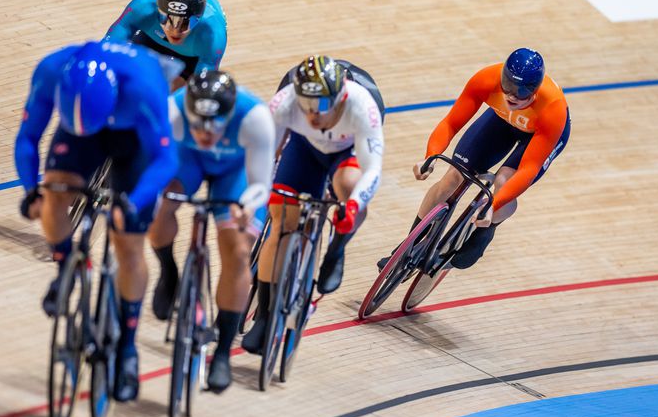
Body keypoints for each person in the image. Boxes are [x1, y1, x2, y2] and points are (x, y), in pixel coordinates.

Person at [14, 40, 177, 402]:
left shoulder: (144, 83)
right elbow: (28, 138)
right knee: (55, 194)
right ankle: (64, 269)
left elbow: (165, 160)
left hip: (132, 137)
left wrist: (133, 204)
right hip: (78, 131)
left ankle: (128, 349)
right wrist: (30, 191)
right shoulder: (51, 71)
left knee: (128, 241)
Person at [241, 55, 385, 354]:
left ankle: (336, 250)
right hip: (304, 149)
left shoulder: (362, 106)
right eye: (305, 104)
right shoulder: (285, 101)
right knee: (281, 222)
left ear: (340, 97)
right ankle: (265, 315)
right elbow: (265, 153)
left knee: (347, 187)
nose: (311, 114)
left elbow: (371, 170)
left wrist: (354, 205)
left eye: (319, 106)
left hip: (345, 154)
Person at [380, 47, 571, 271]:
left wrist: (494, 205)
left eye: (521, 92)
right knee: (453, 177)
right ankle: (409, 245)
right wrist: (430, 156)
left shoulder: (552, 109)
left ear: (535, 90)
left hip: (541, 134)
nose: (511, 95)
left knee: (504, 181)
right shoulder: (486, 79)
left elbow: (528, 168)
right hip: (503, 121)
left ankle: (486, 231)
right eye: (508, 87)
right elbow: (451, 123)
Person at [147, 70, 275, 392]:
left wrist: (246, 207)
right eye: (198, 124)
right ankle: (168, 270)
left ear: (229, 115)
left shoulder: (254, 117)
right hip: (186, 162)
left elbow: (261, 184)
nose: (206, 133)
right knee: (162, 206)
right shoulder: (171, 110)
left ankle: (221, 354)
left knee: (238, 250)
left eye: (215, 125)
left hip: (235, 173)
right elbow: (152, 166)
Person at [105, 0, 227, 90]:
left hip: (191, 57)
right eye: (167, 20)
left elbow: (201, 87)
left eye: (185, 23)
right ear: (156, 10)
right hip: (150, 39)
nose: (175, 30)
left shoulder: (213, 34)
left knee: (177, 91)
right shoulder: (142, 7)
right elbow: (107, 49)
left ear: (199, 19)